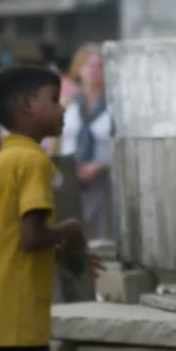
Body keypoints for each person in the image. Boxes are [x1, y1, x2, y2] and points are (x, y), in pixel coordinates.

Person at [0, 65, 101, 351]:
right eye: (54, 100)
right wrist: (70, 231)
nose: (63, 109)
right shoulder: (34, 161)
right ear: (27, 106)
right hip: (21, 319)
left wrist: (59, 255)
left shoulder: (1, 161)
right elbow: (30, 237)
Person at [59, 45, 114, 239]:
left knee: (102, 237)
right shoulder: (68, 104)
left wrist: (99, 167)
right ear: (78, 69)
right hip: (70, 178)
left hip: (104, 179)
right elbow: (56, 142)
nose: (93, 70)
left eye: (100, 66)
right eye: (88, 65)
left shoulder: (114, 106)